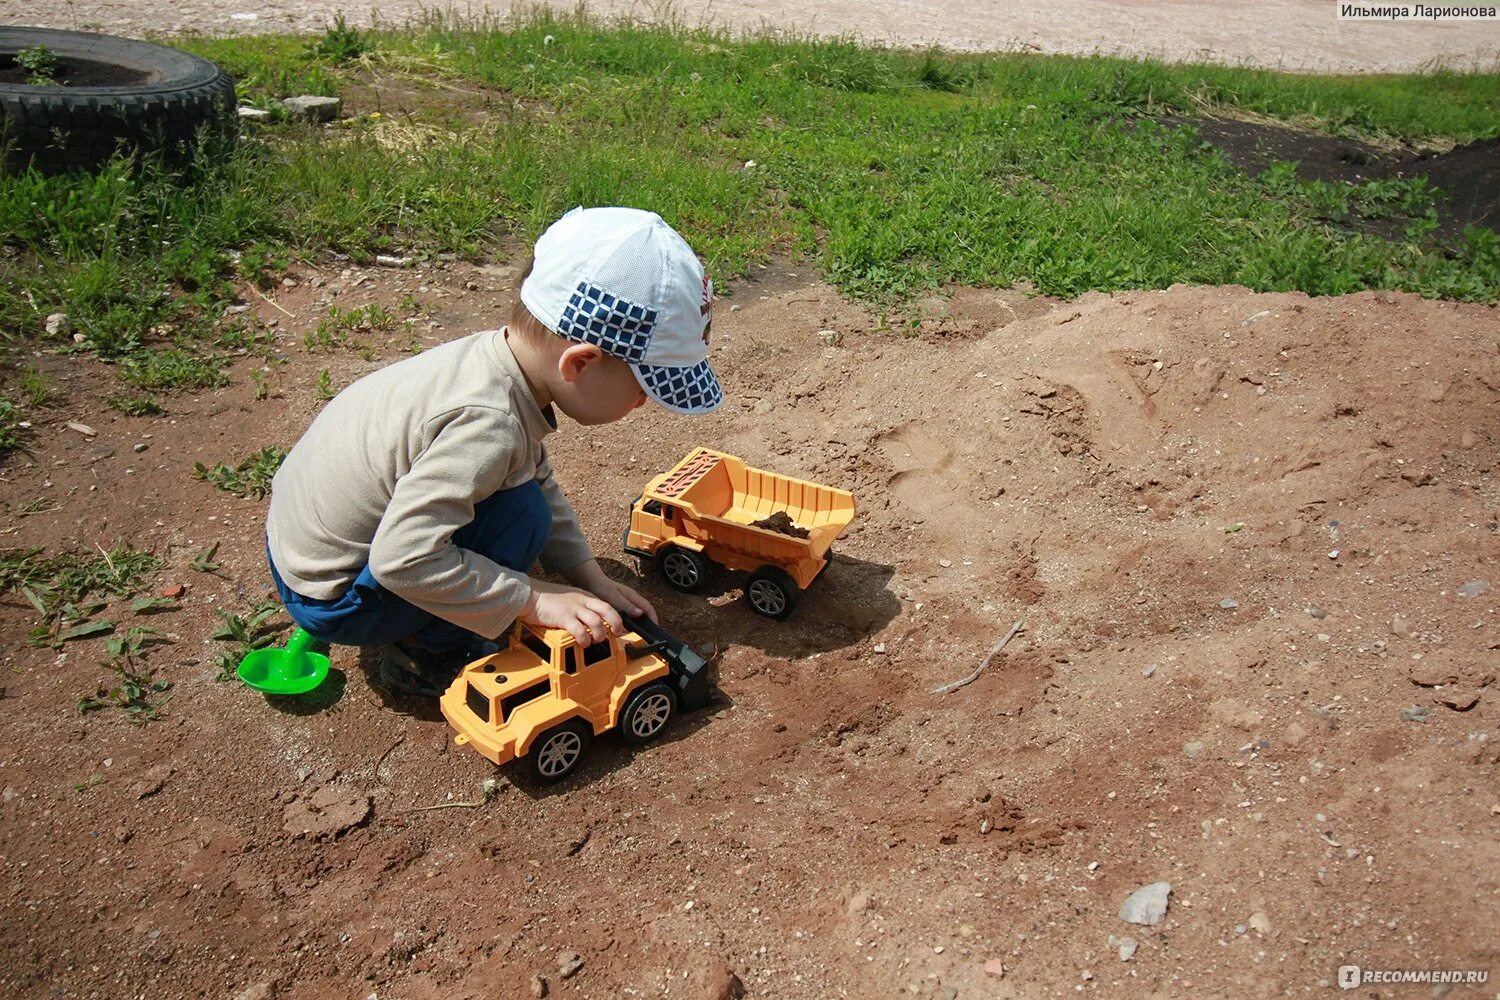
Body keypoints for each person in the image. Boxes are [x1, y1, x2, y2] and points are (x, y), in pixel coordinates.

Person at [264, 206, 723, 695]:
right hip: (335, 597)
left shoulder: (493, 365)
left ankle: (430, 613)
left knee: (522, 499)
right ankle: (427, 648)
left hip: (303, 547)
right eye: (643, 388)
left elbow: (534, 474)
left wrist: (585, 574)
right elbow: (401, 560)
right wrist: (531, 599)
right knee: (521, 521)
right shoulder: (489, 423)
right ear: (582, 363)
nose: (643, 404)